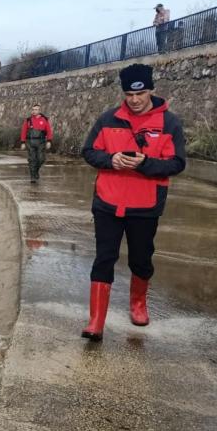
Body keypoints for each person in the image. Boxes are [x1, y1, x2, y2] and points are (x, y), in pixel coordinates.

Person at [80, 63, 186, 341]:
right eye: (129, 94)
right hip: (107, 202)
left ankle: (138, 304)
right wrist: (111, 160)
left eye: (140, 94)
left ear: (151, 90)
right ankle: (96, 321)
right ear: (124, 93)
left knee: (141, 259)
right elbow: (89, 152)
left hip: (145, 205)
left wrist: (145, 163)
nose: (135, 100)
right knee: (104, 257)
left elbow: (177, 163)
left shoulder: (169, 123)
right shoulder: (107, 119)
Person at [20, 104, 53, 183]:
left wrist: (49, 141)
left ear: (39, 111)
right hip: (30, 142)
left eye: (36, 109)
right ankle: (33, 177)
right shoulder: (28, 120)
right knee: (32, 160)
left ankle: (35, 171)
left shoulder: (44, 120)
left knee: (41, 159)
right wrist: (23, 142)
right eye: (33, 109)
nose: (34, 111)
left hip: (41, 142)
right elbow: (23, 131)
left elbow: (49, 131)